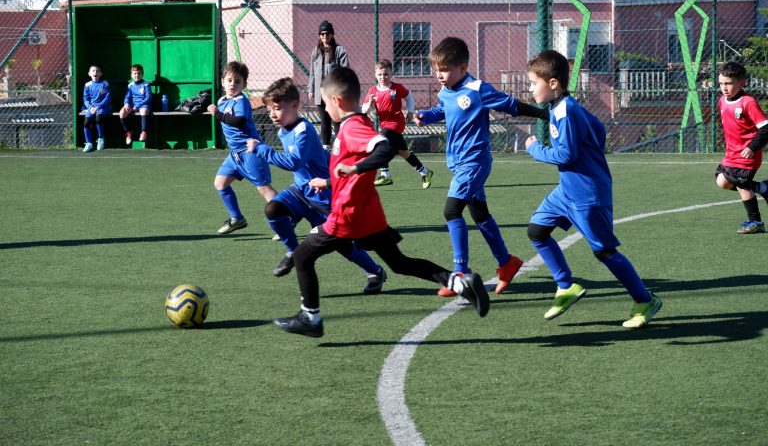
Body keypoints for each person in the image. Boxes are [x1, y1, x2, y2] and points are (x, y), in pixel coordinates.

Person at [273, 67, 490, 338]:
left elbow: (384, 148)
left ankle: (311, 318)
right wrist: (329, 182)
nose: (324, 110)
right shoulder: (351, 126)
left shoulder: (353, 127)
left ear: (337, 101)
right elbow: (352, 169)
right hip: (368, 215)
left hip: (348, 217)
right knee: (399, 263)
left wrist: (355, 169)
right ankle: (459, 282)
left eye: (325, 103)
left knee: (303, 255)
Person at [523, 49, 662, 329]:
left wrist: (534, 148)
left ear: (552, 83)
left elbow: (565, 155)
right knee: (537, 231)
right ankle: (566, 286)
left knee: (605, 252)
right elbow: (598, 129)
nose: (530, 88)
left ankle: (644, 300)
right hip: (567, 192)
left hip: (588, 195)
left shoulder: (566, 112)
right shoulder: (563, 107)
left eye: (533, 82)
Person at [414, 36, 548, 298]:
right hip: (458, 162)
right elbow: (443, 109)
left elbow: (511, 106)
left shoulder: (478, 89)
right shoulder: (446, 90)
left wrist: (545, 113)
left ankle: (460, 272)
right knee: (480, 215)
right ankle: (506, 262)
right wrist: (426, 116)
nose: (439, 75)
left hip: (474, 162)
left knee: (452, 211)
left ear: (462, 68)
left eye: (444, 70)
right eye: (436, 70)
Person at [246, 77, 388, 294]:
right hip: (300, 190)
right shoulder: (284, 129)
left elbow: (293, 162)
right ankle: (293, 251)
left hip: (323, 195)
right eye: (269, 109)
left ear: (295, 105)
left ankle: (375, 271)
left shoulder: (303, 130)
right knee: (273, 208)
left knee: (343, 246)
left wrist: (261, 149)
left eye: (277, 108)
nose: (273, 114)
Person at [207, 61, 276, 234]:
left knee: (264, 188)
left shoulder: (241, 101)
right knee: (220, 183)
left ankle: (288, 218)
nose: (233, 84)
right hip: (235, 154)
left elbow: (239, 121)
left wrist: (217, 113)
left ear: (244, 84)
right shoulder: (222, 100)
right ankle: (237, 218)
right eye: (229, 80)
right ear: (223, 81)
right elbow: (221, 114)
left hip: (251, 151)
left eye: (237, 81)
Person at [714, 61, 768, 234]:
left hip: (747, 155)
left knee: (742, 185)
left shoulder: (748, 102)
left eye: (728, 83)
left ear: (741, 83)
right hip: (731, 154)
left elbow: (766, 129)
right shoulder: (722, 100)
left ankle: (755, 222)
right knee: (722, 181)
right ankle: (763, 188)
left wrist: (752, 147)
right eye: (721, 83)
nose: (724, 87)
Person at [363, 59, 433, 188]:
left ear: (391, 74)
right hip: (385, 125)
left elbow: (409, 96)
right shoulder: (373, 91)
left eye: (386, 74)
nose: (383, 77)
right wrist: (370, 104)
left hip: (396, 123)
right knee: (404, 152)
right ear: (375, 74)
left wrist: (411, 111)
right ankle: (425, 172)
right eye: (380, 74)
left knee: (380, 142)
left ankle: (385, 175)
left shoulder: (396, 88)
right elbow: (364, 111)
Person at [307, 20, 348, 150]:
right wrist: (311, 89)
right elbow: (312, 72)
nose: (325, 37)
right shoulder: (316, 51)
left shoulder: (340, 50)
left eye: (327, 34)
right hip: (320, 92)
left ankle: (338, 146)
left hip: (334, 91)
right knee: (324, 120)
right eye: (322, 34)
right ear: (319, 35)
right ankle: (325, 147)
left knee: (336, 119)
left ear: (332, 34)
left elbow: (345, 71)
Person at [119, 64, 152, 145]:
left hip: (144, 104)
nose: (137, 75)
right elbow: (127, 96)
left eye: (139, 73)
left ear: (142, 74)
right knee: (122, 113)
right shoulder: (130, 85)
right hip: (132, 105)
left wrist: (137, 106)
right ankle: (128, 133)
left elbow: (148, 98)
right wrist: (126, 104)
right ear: (131, 75)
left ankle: (143, 132)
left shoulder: (146, 84)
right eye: (135, 73)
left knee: (143, 111)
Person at [82, 65, 110, 152]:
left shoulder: (105, 83)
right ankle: (89, 143)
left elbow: (107, 98)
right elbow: (86, 99)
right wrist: (91, 107)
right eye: (93, 71)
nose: (95, 73)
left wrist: (98, 106)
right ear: (89, 74)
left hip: (103, 106)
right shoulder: (87, 85)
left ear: (101, 73)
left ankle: (101, 138)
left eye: (97, 71)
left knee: (99, 118)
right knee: (86, 122)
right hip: (92, 108)